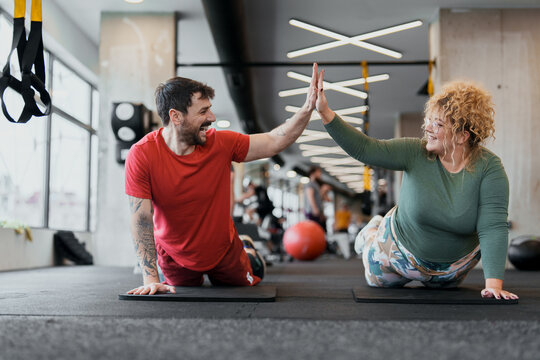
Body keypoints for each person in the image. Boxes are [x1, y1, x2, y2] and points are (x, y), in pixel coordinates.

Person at [315, 70, 518, 300]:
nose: (428, 128)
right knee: (378, 282)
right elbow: (366, 149)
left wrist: (493, 285)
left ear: (462, 135)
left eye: (438, 124)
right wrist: (325, 113)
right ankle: (371, 233)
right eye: (429, 120)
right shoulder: (416, 152)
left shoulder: (489, 169)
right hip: (396, 252)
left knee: (443, 293)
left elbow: (492, 228)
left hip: (451, 271)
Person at [125, 63, 321, 295]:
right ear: (175, 116)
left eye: (210, 109)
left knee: (250, 279)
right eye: (203, 111)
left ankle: (247, 248)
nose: (212, 117)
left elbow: (272, 142)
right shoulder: (142, 154)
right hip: (174, 254)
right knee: (182, 293)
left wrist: (308, 108)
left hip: (223, 250)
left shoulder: (221, 143)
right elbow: (142, 219)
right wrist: (150, 279)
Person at [304, 165, 327, 232]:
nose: (320, 174)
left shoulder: (316, 184)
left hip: (317, 211)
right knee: (314, 231)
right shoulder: (310, 184)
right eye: (319, 172)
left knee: (319, 230)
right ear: (313, 173)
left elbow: (319, 198)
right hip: (312, 211)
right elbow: (310, 197)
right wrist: (315, 209)